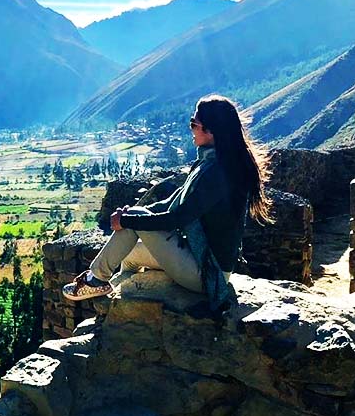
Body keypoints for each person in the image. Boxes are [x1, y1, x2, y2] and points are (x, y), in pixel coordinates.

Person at [62, 94, 272, 303]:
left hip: (207, 273)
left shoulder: (218, 172)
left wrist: (127, 220)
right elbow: (172, 201)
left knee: (134, 223)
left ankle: (96, 279)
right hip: (195, 254)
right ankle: (122, 297)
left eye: (193, 124)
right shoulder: (210, 163)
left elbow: (176, 218)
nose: (191, 129)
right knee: (130, 254)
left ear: (211, 130)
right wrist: (130, 215)